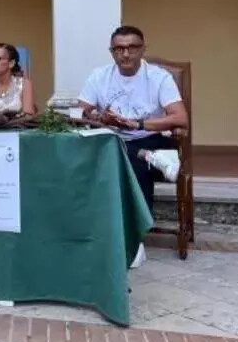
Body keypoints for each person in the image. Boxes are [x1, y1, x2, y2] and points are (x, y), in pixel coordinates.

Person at [78, 25, 189, 268]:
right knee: (99, 149)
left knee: (133, 163)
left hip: (149, 135)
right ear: (112, 52)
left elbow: (180, 118)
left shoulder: (159, 77)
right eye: (119, 48)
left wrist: (139, 123)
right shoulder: (100, 76)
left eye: (132, 48)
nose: (125, 54)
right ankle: (94, 232)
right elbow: (82, 109)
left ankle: (134, 238)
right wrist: (100, 116)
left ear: (143, 49)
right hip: (112, 137)